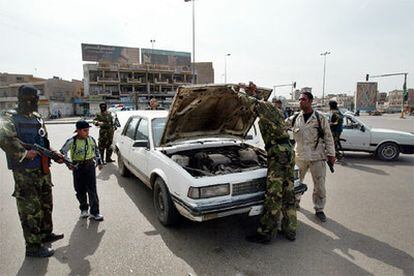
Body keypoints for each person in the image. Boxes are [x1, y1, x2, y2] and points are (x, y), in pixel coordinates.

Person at [0, 85, 64, 258]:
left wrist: (54, 152)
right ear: (23, 99)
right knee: (30, 210)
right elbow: (3, 137)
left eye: (35, 99)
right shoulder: (9, 117)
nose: (34, 102)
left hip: (42, 170)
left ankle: (45, 234)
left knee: (45, 205)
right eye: (31, 99)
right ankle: (33, 246)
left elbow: (43, 141)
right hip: (25, 173)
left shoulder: (37, 117)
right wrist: (23, 153)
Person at [241, 82, 297, 244]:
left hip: (278, 152)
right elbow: (256, 102)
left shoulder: (266, 107)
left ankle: (265, 233)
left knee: (274, 194)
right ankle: (290, 229)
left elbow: (250, 102)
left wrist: (239, 92)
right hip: (287, 149)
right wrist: (252, 91)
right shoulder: (276, 111)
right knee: (288, 192)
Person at [286, 92, 335, 222]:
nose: (301, 101)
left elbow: (328, 137)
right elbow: (280, 125)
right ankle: (295, 202)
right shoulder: (295, 118)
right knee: (296, 183)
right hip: (299, 156)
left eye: (304, 99)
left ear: (310, 101)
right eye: (300, 99)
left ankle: (319, 209)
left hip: (317, 156)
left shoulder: (320, 118)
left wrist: (331, 155)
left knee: (319, 185)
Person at [60, 120, 104, 221]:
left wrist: (99, 162)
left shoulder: (91, 139)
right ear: (78, 131)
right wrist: (69, 163)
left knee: (92, 190)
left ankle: (95, 212)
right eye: (85, 130)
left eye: (88, 130)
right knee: (80, 189)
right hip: (78, 168)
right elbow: (62, 152)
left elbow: (96, 151)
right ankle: (84, 209)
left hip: (89, 167)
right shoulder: (72, 141)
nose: (87, 132)